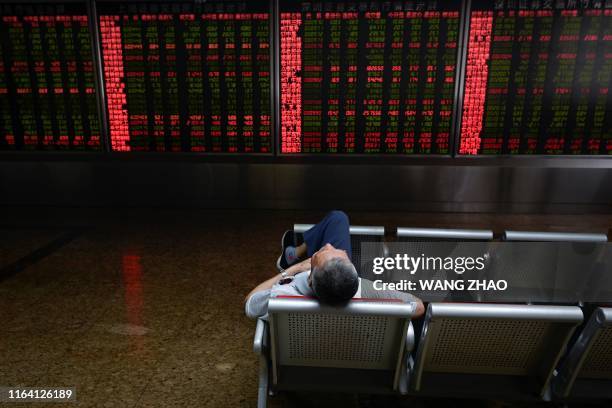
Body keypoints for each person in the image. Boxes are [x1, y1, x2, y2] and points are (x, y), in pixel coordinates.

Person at [245, 210, 424, 319]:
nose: (329, 246)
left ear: (309, 279)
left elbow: (250, 302)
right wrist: (381, 311)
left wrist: (294, 269)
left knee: (338, 218)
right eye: (342, 255)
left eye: (320, 254)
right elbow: (418, 306)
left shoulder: (283, 296)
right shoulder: (368, 291)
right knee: (338, 219)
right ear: (354, 272)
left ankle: (291, 257)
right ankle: (296, 253)